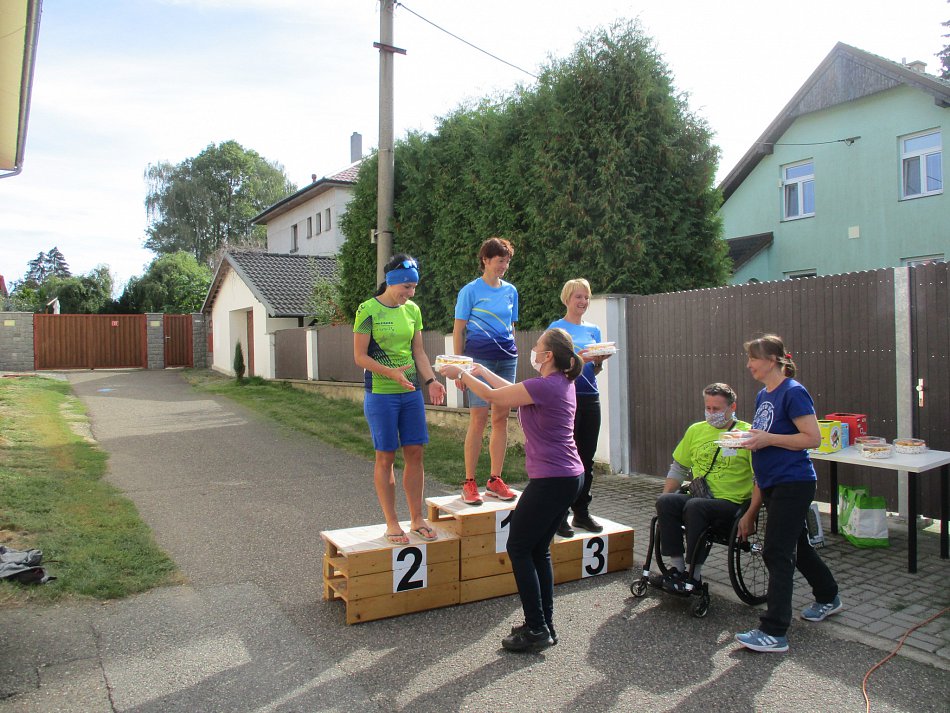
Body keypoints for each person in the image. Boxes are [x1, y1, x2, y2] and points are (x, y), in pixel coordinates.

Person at [440, 328, 584, 652]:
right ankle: (543, 624)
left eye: (538, 346)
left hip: (553, 480)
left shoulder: (546, 386)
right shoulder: (558, 383)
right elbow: (510, 391)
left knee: (518, 547)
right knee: (538, 550)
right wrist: (480, 370)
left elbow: (494, 398)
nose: (534, 350)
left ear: (548, 355)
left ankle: (537, 628)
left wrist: (461, 374)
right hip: (567, 477)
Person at [735, 334, 842, 654]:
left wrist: (767, 439)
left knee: (776, 551)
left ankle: (774, 631)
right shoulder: (763, 394)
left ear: (772, 361)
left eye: (753, 358)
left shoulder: (793, 392)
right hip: (772, 482)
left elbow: (812, 438)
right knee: (798, 547)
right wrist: (752, 440)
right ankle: (828, 596)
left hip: (793, 482)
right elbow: (764, 435)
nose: (749, 364)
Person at [353, 254, 447, 545]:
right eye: (407, 287)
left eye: (414, 287)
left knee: (415, 453)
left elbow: (418, 351)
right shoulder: (367, 310)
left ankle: (417, 519)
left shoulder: (413, 310)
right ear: (391, 283)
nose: (411, 293)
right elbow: (360, 357)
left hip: (410, 393)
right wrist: (390, 373)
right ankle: (392, 523)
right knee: (386, 456)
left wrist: (431, 381)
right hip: (381, 394)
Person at [653, 383, 754, 592]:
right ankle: (677, 569)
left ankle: (694, 576)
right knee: (665, 501)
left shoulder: (747, 433)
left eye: (716, 409)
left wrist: (751, 513)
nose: (711, 413)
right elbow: (679, 467)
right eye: (708, 408)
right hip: (701, 496)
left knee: (695, 506)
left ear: (732, 407)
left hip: (731, 503)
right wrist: (666, 501)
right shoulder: (696, 430)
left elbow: (759, 476)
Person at [452, 237, 519, 505]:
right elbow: (459, 329)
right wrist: (461, 368)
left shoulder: (511, 291)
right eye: (500, 260)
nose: (504, 266)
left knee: (501, 419)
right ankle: (469, 482)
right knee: (478, 419)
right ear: (486, 260)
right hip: (479, 362)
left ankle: (494, 480)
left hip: (507, 361)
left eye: (507, 261)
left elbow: (511, 327)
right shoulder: (470, 291)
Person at [548, 278, 612, 536]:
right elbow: (550, 367)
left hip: (590, 397)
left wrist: (599, 361)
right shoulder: (556, 329)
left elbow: (595, 370)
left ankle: (581, 513)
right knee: (566, 458)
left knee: (586, 458)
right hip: (566, 398)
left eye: (586, 297)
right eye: (578, 297)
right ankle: (559, 514)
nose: (583, 301)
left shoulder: (593, 330)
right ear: (567, 299)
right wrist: (580, 358)